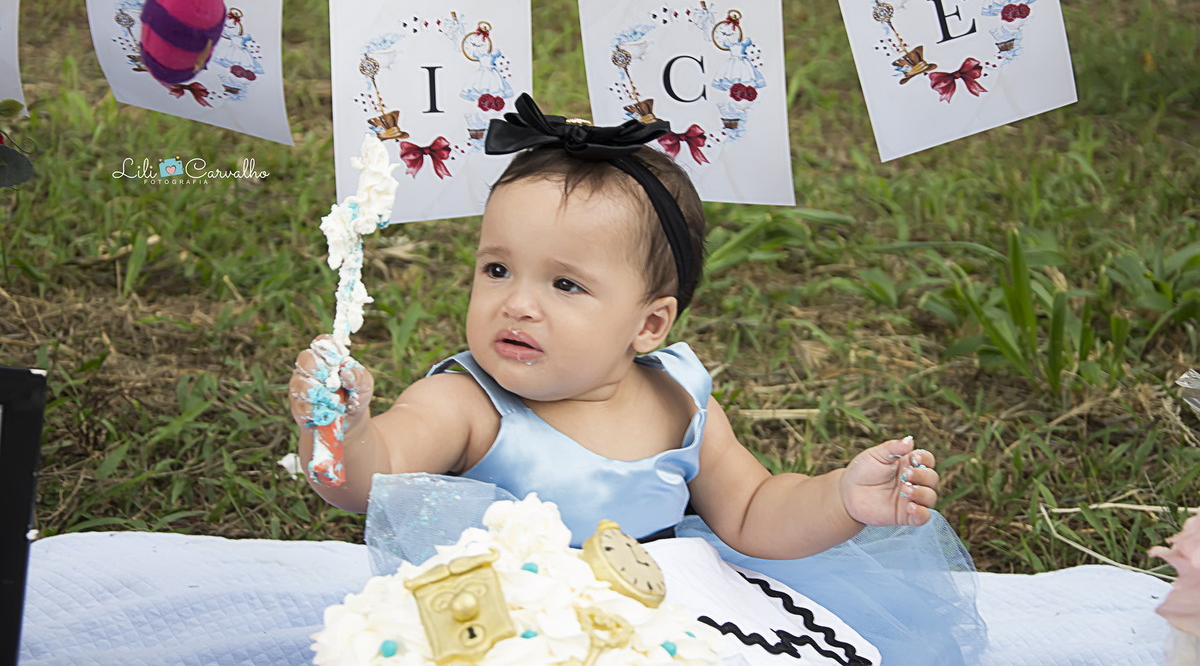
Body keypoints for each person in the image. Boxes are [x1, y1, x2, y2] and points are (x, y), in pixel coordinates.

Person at [289, 94, 986, 665]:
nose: (518, 303)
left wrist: (841, 497)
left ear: (649, 324)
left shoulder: (677, 399)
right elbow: (365, 484)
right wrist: (339, 428)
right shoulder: (464, 402)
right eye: (497, 268)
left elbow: (753, 511)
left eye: (565, 284)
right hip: (511, 633)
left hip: (664, 626)